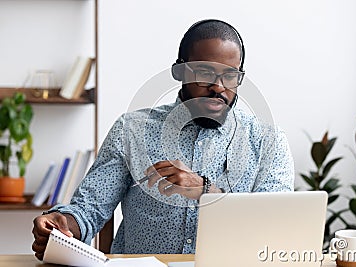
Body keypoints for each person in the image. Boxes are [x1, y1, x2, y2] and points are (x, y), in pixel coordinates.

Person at [32, 19, 294, 259]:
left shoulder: (268, 142)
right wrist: (61, 224)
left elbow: (272, 228)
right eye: (204, 73)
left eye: (229, 76)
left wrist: (206, 191)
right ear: (179, 72)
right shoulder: (132, 130)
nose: (218, 87)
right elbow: (89, 208)